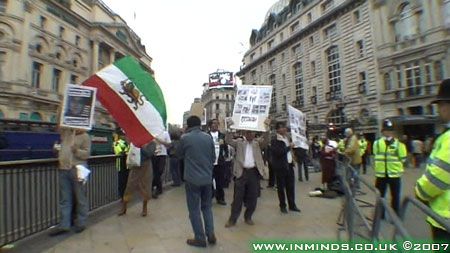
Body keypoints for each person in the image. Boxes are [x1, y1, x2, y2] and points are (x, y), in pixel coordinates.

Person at [415, 79, 450, 243]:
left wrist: (420, 191)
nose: (439, 109)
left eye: (441, 104)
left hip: (446, 220)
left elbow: (438, 176)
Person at [178, 116, 216, 248]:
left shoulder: (185, 138)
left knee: (194, 209)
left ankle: (200, 238)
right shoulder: (208, 137)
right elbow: (213, 157)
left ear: (188, 126)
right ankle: (210, 234)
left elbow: (179, 154)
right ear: (200, 124)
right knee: (207, 207)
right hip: (207, 178)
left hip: (192, 179)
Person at [224, 119, 270, 227]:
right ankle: (232, 219)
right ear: (245, 134)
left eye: (252, 132)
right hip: (241, 172)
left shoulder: (258, 144)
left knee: (253, 197)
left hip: (254, 173)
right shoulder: (239, 143)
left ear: (254, 133)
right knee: (237, 198)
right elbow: (228, 140)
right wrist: (230, 128)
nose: (250, 134)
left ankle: (248, 216)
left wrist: (267, 128)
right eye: (248, 132)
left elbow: (267, 140)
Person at [50, 128, 91, 236]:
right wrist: (57, 150)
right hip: (64, 168)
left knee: (80, 196)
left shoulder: (85, 136)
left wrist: (77, 151)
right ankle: (64, 225)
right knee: (65, 198)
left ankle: (81, 223)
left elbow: (86, 154)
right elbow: (62, 149)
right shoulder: (66, 135)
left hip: (78, 169)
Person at [373, 119, 407, 214]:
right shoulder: (377, 143)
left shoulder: (399, 144)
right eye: (386, 130)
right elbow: (376, 156)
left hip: (394, 174)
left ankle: (395, 215)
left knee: (395, 196)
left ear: (393, 132)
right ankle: (380, 214)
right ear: (383, 131)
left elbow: (403, 159)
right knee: (380, 196)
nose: (388, 132)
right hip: (381, 175)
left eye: (390, 130)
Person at [118, 141, 156, 217]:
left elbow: (149, 154)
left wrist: (142, 146)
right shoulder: (135, 140)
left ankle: (144, 208)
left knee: (146, 186)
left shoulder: (152, 143)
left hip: (146, 167)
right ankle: (124, 207)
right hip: (135, 166)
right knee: (130, 185)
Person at [271, 122, 301, 213]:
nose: (284, 129)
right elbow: (278, 152)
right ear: (277, 130)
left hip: (289, 165)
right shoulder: (275, 140)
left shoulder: (287, 138)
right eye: (281, 127)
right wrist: (289, 147)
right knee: (281, 187)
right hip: (280, 167)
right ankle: (282, 206)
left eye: (284, 127)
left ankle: (292, 205)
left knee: (291, 186)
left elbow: (291, 149)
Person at [208, 119, 228, 205]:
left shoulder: (222, 135)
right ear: (210, 125)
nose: (215, 125)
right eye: (213, 123)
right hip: (209, 162)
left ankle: (220, 198)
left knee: (220, 181)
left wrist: (226, 155)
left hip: (219, 162)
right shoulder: (206, 135)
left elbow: (226, 147)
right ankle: (209, 197)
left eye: (217, 123)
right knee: (209, 181)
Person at [151, 130, 171, 198]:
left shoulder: (165, 133)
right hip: (153, 155)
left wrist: (160, 140)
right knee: (154, 172)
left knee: (160, 171)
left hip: (162, 155)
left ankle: (153, 186)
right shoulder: (151, 132)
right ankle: (158, 189)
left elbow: (168, 144)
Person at [114, 131, 129, 200]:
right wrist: (126, 151)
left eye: (125, 135)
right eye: (123, 135)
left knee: (127, 179)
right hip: (120, 163)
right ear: (120, 136)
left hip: (127, 163)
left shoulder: (127, 143)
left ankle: (126, 194)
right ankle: (122, 195)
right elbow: (119, 152)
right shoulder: (117, 143)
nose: (124, 136)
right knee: (121, 180)